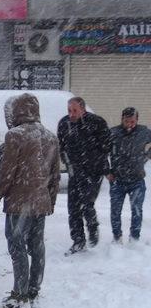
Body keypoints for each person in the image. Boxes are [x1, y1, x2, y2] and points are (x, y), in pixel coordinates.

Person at [0, 93, 60, 308]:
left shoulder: (15, 136)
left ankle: (20, 295)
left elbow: (6, 173)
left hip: (19, 202)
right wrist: (51, 201)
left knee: (17, 245)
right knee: (37, 246)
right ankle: (33, 290)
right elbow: (55, 175)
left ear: (16, 111)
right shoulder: (50, 136)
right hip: (40, 202)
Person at [57, 96, 111, 254]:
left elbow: (106, 145)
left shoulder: (97, 122)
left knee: (87, 203)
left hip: (93, 171)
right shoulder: (64, 123)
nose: (71, 114)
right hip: (75, 170)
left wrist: (99, 164)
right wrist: (66, 161)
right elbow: (61, 145)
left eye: (75, 110)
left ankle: (93, 229)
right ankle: (78, 241)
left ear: (83, 109)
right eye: (69, 110)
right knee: (73, 208)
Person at [107, 107, 151, 243]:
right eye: (127, 121)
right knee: (115, 211)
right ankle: (117, 237)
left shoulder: (143, 132)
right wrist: (107, 171)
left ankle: (134, 238)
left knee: (137, 211)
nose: (130, 124)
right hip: (117, 179)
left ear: (137, 120)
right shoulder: (113, 133)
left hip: (137, 180)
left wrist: (147, 156)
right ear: (122, 119)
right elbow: (101, 151)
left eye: (132, 121)